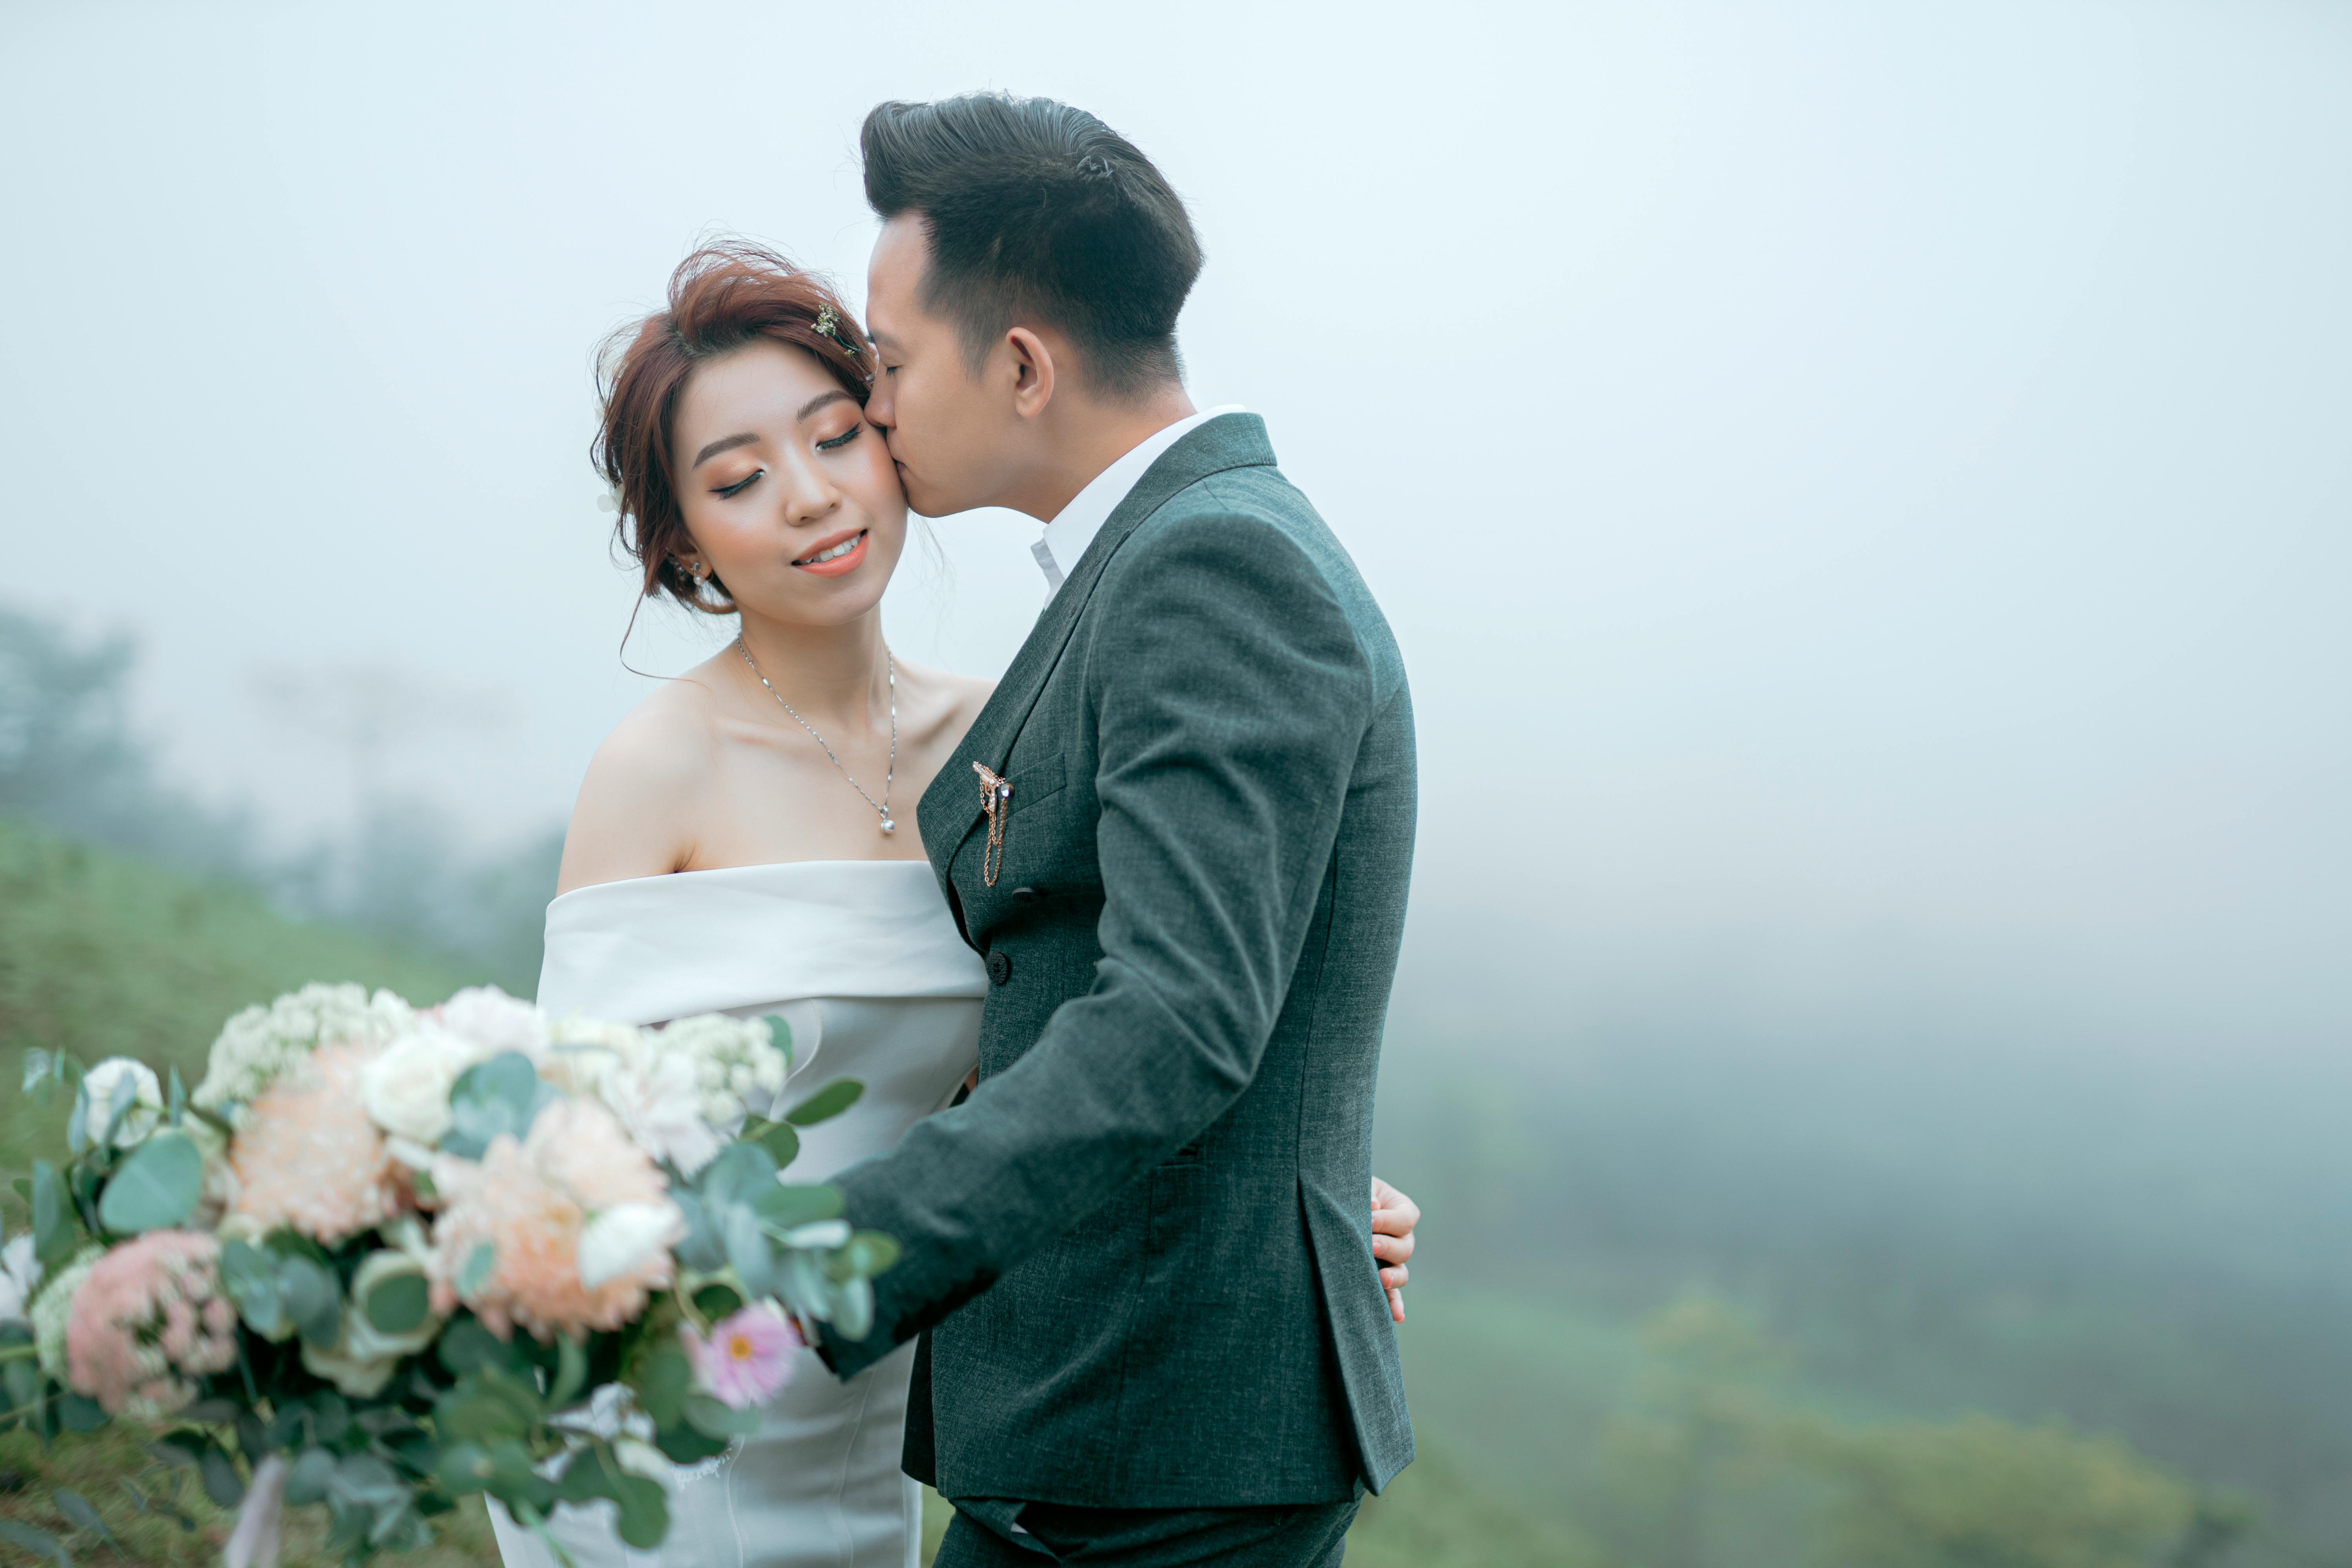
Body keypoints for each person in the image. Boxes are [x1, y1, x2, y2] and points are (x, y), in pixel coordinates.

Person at [489, 231, 1418, 1566]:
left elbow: (1122, 1025)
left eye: (836, 436)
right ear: (687, 546)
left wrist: (1302, 1192)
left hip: (906, 1393)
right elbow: (564, 1147)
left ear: (891, 438)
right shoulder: (658, 771)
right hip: (697, 1377)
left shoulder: (1002, 739)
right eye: (741, 481)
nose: (809, 498)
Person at [809, 94, 1419, 1568]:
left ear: (1021, 364)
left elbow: (1183, 1016)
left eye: (887, 364)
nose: (874, 406)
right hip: (1115, 1432)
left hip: (1164, 1455)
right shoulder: (1167, 552)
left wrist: (837, 1263)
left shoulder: (1213, 566)